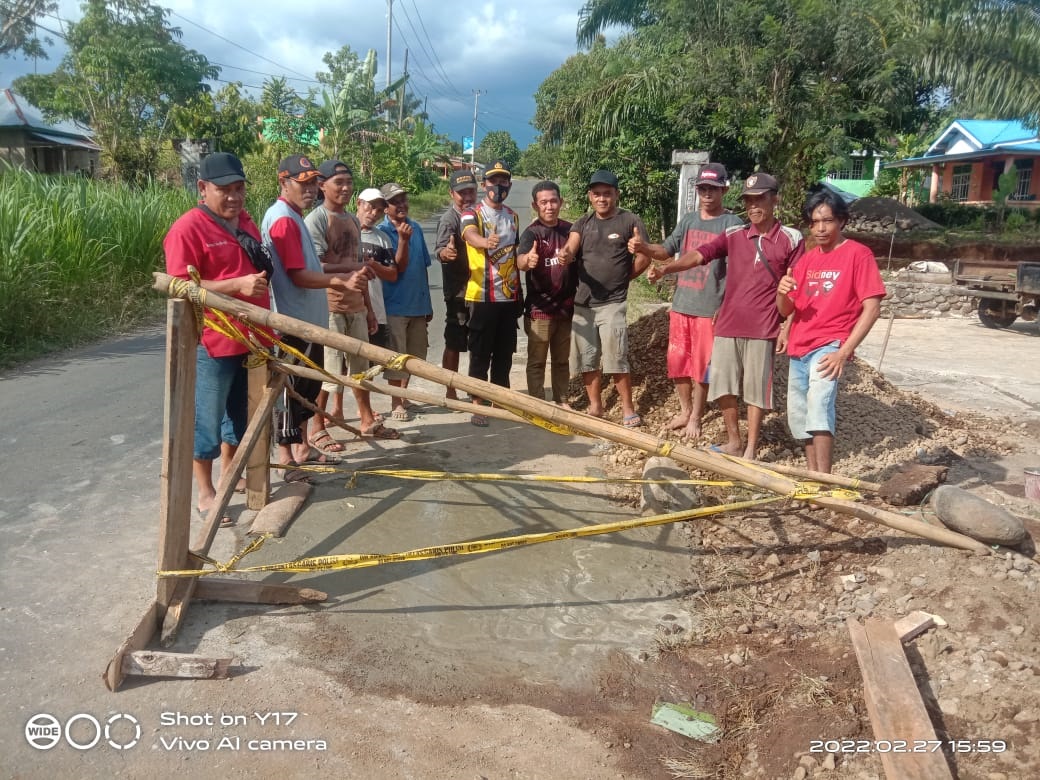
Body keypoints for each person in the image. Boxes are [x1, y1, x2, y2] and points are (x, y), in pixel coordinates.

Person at [649, 172, 804, 458]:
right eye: (749, 200)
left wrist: (787, 327)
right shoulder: (734, 234)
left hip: (763, 326)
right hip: (728, 323)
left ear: (775, 200)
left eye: (760, 199)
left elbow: (798, 290)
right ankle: (734, 441)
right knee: (724, 386)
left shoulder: (791, 239)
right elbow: (700, 255)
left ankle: (751, 449)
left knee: (756, 391)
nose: (754, 206)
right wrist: (668, 268)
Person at [164, 152, 272, 527]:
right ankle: (206, 491)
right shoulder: (187, 229)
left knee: (239, 415)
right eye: (224, 189)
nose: (233, 197)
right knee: (206, 420)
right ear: (202, 188)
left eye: (239, 188)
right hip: (213, 340)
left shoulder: (246, 222)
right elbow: (179, 287)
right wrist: (236, 286)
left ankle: (230, 474)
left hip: (254, 338)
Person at [262, 154, 372, 478]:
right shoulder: (283, 219)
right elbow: (298, 275)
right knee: (289, 389)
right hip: (290, 321)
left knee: (306, 388)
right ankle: (286, 459)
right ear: (284, 183)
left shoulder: (294, 216)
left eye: (312, 182)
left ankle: (301, 448)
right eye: (302, 182)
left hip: (306, 320)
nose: (309, 189)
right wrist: (340, 280)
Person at [629, 162, 743, 440]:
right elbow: (666, 249)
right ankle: (685, 409)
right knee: (679, 361)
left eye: (713, 188)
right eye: (703, 188)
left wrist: (725, 305)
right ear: (697, 190)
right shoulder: (689, 221)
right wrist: (644, 247)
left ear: (724, 190)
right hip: (681, 305)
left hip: (709, 309)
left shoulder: (733, 224)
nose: (707, 193)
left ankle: (696, 417)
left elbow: (738, 272)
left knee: (701, 367)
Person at [777, 187, 886, 473]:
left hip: (829, 346)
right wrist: (782, 291)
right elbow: (787, 310)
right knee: (800, 418)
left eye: (827, 220)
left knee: (819, 410)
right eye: (814, 222)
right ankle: (814, 479)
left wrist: (844, 351)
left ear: (841, 221)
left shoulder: (858, 255)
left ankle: (824, 484)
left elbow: (872, 308)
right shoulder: (807, 259)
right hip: (799, 348)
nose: (820, 228)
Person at [304, 160, 396, 443]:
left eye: (348, 182)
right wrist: (351, 271)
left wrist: (368, 309)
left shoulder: (353, 221)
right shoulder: (317, 219)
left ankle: (367, 419)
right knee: (329, 372)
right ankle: (318, 427)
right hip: (330, 305)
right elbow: (316, 266)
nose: (344, 187)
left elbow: (360, 269)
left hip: (355, 304)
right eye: (338, 182)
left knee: (360, 368)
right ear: (322, 186)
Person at [558, 169, 651, 425]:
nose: (602, 199)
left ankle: (628, 410)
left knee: (616, 357)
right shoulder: (583, 223)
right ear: (590, 196)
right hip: (583, 303)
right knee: (587, 357)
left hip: (613, 303)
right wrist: (565, 254)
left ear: (616, 195)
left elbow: (643, 258)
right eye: (597, 194)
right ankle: (596, 406)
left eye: (607, 194)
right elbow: (571, 245)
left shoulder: (629, 221)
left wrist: (623, 280)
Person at [460, 159, 522, 426]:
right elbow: (469, 235)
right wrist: (485, 242)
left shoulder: (513, 216)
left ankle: (501, 400)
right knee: (480, 352)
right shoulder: (471, 212)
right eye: (493, 181)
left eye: (503, 181)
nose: (498, 186)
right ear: (484, 184)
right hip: (482, 295)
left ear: (509, 184)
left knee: (505, 351)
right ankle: (478, 404)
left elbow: (516, 252)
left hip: (508, 295)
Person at [516, 180, 578, 406]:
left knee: (562, 361)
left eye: (553, 201)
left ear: (561, 202)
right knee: (537, 361)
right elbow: (520, 261)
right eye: (544, 202)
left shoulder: (571, 231)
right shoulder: (531, 234)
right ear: (535, 205)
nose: (549, 206)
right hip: (539, 309)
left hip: (566, 308)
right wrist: (528, 261)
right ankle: (537, 404)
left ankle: (562, 400)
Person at [378, 182, 434, 421]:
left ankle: (404, 395)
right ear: (385, 207)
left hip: (417, 304)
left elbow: (422, 268)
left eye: (403, 200)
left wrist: (428, 304)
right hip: (394, 304)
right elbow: (392, 270)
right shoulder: (381, 233)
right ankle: (396, 402)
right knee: (395, 355)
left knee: (413, 355)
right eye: (394, 202)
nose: (401, 205)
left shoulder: (417, 228)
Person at [435, 169, 478, 400]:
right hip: (458, 293)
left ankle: (475, 390)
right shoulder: (449, 219)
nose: (467, 197)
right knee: (454, 343)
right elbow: (441, 250)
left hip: (481, 291)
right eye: (462, 193)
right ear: (452, 193)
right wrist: (446, 252)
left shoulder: (481, 215)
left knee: (478, 344)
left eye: (471, 191)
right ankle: (450, 390)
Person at [357, 187, 404, 354]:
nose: (374, 213)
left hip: (376, 311)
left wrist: (373, 265)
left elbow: (392, 274)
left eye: (378, 209)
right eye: (370, 206)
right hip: (349, 310)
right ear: (359, 203)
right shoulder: (345, 231)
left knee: (369, 366)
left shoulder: (382, 238)